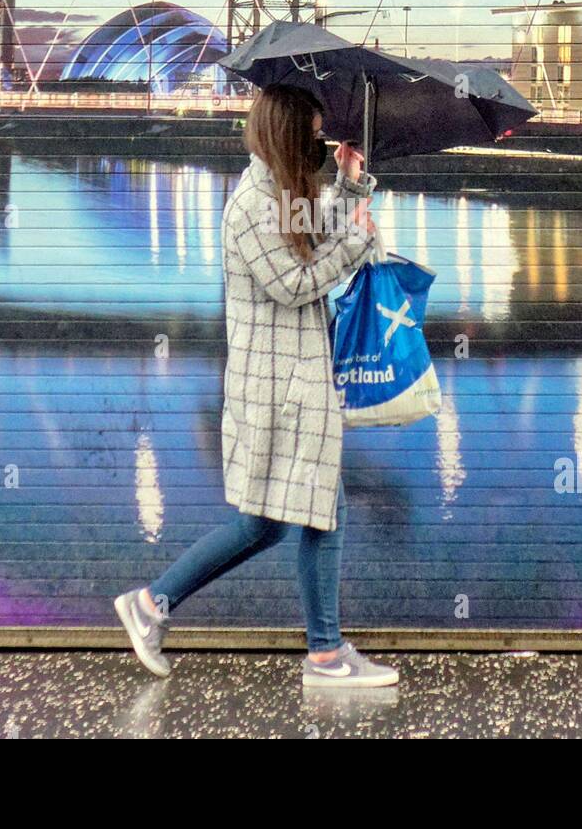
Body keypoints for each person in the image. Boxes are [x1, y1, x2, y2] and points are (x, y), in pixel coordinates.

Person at [115, 84, 398, 688]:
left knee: (268, 522)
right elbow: (294, 284)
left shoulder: (283, 192)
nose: (321, 144)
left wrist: (350, 184)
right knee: (323, 510)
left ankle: (151, 604)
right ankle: (324, 655)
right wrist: (353, 245)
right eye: (315, 134)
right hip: (277, 389)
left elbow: (319, 234)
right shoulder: (251, 203)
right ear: (287, 132)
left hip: (295, 380)